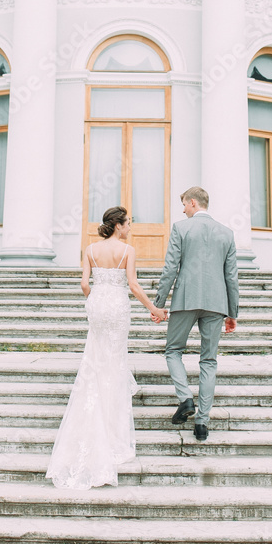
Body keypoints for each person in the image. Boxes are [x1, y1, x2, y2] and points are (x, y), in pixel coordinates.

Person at [45, 205, 168, 489]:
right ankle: (112, 431)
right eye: (128, 223)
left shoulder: (90, 249)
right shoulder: (127, 251)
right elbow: (134, 286)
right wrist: (155, 309)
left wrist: (95, 297)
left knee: (96, 358)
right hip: (117, 306)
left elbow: (84, 284)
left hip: (98, 305)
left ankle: (93, 411)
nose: (130, 227)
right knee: (115, 361)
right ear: (117, 225)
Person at [153, 186, 239, 442]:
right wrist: (232, 312)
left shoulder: (181, 228)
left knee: (173, 350)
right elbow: (231, 277)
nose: (183, 210)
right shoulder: (227, 233)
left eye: (184, 204)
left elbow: (170, 268)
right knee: (209, 361)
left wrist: (159, 303)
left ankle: (185, 399)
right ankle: (202, 423)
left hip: (186, 299)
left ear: (192, 202)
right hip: (216, 304)